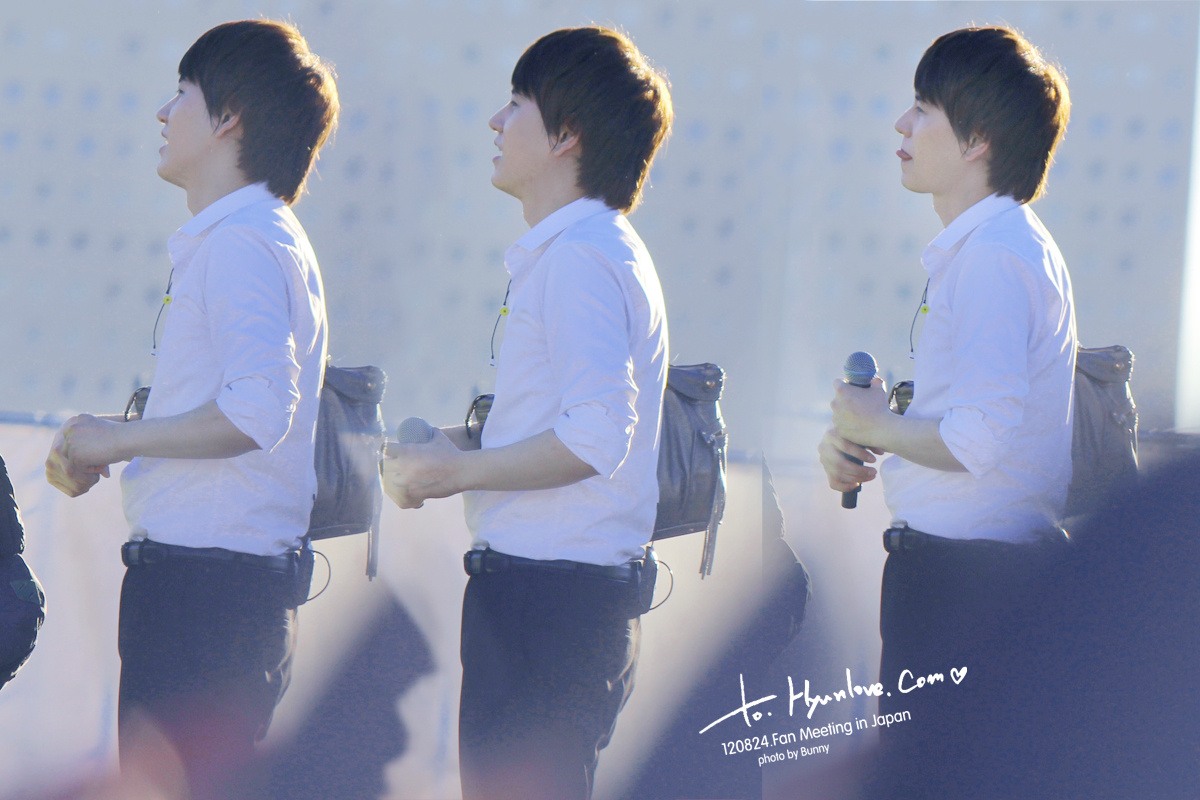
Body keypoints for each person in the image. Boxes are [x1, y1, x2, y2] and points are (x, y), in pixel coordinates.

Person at [43, 19, 337, 799]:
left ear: (229, 117)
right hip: (214, 598)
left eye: (183, 93)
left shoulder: (242, 240)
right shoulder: (250, 235)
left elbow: (257, 412)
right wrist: (117, 443)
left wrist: (116, 440)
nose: (164, 112)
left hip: (206, 604)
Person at [382, 26, 672, 800]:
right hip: (552, 604)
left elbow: (596, 435)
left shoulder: (580, 256)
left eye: (516, 103)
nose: (496, 121)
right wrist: (449, 451)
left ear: (567, 134)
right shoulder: (584, 249)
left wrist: (457, 473)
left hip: (551, 608)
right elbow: (568, 422)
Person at [816, 25, 1075, 794]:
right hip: (967, 580)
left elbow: (977, 440)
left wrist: (876, 427)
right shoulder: (992, 247)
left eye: (924, 108)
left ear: (978, 139)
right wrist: (874, 439)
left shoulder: (994, 255)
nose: (902, 124)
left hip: (966, 586)